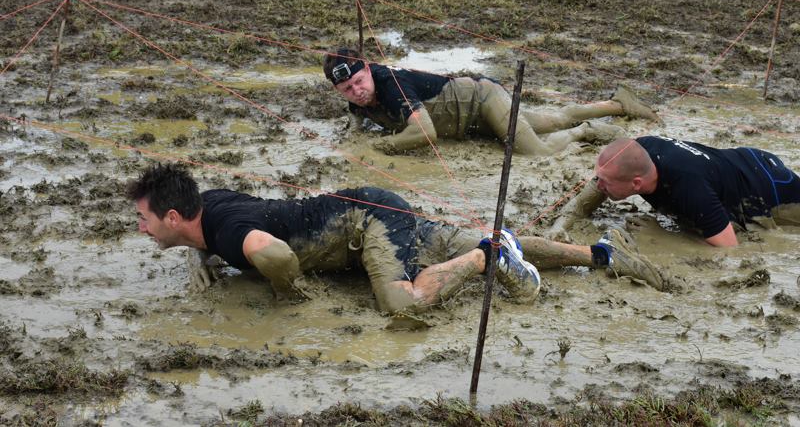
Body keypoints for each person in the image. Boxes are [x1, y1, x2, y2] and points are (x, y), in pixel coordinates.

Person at [128, 165, 667, 318]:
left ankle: (487, 259)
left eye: (144, 219)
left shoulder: (227, 232)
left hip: (367, 222)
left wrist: (289, 294)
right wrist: (200, 256)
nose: (141, 229)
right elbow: (215, 230)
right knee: (456, 239)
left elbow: (275, 254)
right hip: (371, 206)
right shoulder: (207, 207)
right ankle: (602, 254)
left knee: (400, 306)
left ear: (174, 215)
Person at [323, 48, 662, 155]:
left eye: (359, 81)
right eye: (348, 89)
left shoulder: (390, 83)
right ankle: (618, 104)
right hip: (471, 120)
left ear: (368, 68)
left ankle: (585, 130)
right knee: (552, 120)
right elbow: (357, 117)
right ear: (338, 90)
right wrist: (352, 133)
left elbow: (425, 133)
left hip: (483, 98)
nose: (357, 91)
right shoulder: (357, 98)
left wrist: (379, 147)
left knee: (535, 152)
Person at [548, 136, 800, 247]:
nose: (598, 185)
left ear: (637, 184)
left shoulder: (690, 188)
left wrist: (663, 235)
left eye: (604, 181)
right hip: (736, 162)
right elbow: (588, 196)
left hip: (772, 185)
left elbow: (729, 247)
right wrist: (560, 226)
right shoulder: (638, 151)